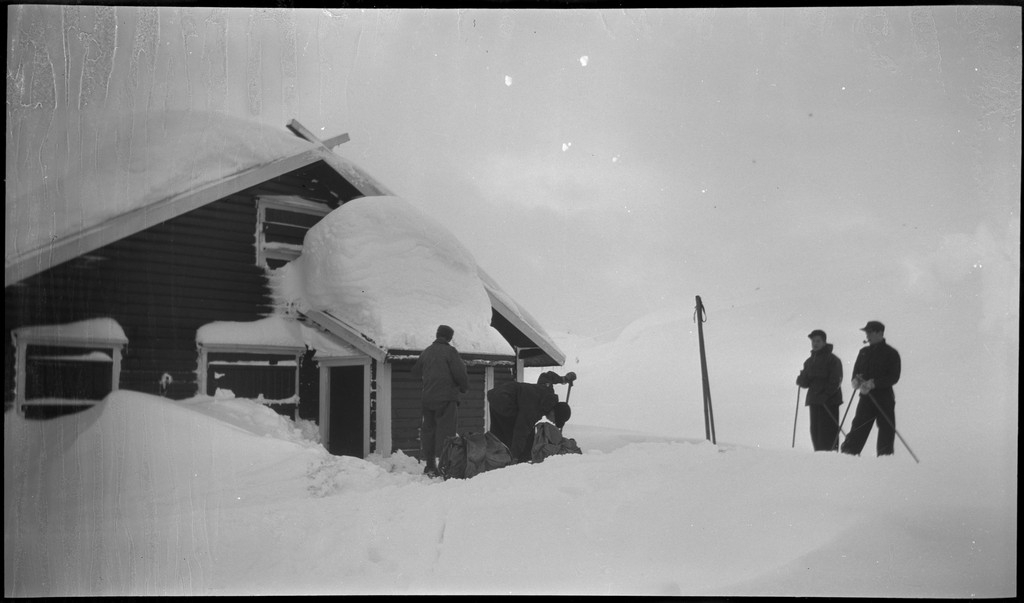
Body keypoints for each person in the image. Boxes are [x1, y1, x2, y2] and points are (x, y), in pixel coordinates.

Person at [411, 324, 468, 477]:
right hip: (447, 398)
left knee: (428, 431)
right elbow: (460, 373)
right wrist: (463, 387)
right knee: (447, 433)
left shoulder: (426, 352)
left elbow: (415, 372)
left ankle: (430, 465)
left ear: (437, 335)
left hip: (428, 399)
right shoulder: (450, 352)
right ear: (449, 337)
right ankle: (446, 466)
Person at [841, 321, 902, 457]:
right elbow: (856, 371)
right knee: (858, 426)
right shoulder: (863, 352)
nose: (867, 335)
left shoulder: (891, 353)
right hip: (866, 397)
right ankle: (848, 455)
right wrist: (856, 381)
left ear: (880, 333)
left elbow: (894, 377)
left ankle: (885, 459)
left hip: (884, 398)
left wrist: (874, 383)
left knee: (886, 430)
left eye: (870, 332)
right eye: (866, 332)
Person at [795, 329, 844, 451]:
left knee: (828, 433)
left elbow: (836, 380)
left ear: (824, 342)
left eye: (818, 341)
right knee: (815, 432)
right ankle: (819, 458)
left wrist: (825, 395)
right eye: (813, 341)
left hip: (829, 402)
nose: (815, 344)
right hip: (814, 401)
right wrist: (801, 380)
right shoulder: (809, 361)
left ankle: (831, 458)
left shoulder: (833, 360)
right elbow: (806, 382)